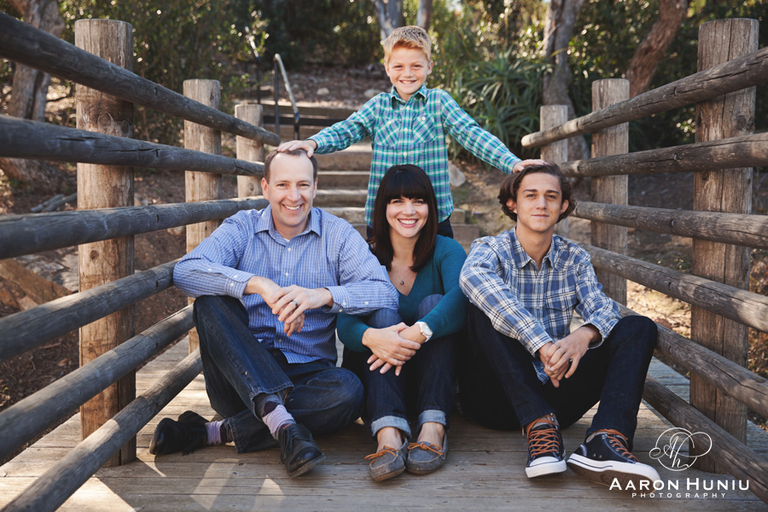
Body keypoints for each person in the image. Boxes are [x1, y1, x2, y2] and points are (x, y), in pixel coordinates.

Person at [149, 148, 398, 478]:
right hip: (240, 378)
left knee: (348, 391)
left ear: (316, 186)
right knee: (211, 302)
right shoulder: (242, 228)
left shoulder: (337, 234)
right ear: (265, 188)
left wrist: (322, 296)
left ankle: (216, 432)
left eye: (303, 185)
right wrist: (257, 284)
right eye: (283, 185)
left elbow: (384, 292)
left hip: (309, 376)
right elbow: (186, 272)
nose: (294, 196)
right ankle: (278, 424)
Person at [458, 162, 660, 487]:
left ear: (563, 206)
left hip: (556, 394)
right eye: (531, 195)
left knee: (639, 328)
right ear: (513, 203)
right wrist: (541, 343)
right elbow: (473, 279)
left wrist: (585, 334)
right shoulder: (489, 249)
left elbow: (604, 309)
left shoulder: (574, 258)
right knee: (480, 308)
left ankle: (604, 439)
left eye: (551, 197)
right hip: (495, 399)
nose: (542, 204)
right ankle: (537, 426)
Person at [277, 25, 544, 239]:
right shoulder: (378, 106)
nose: (408, 73)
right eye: (399, 66)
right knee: (383, 285)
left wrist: (511, 162)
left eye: (416, 66)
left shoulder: (439, 102)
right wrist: (314, 142)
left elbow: (471, 133)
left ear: (428, 67)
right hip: (385, 217)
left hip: (433, 217)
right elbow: (347, 129)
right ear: (387, 69)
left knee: (440, 284)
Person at [337, 165, 467, 481]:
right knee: (380, 315)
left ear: (430, 208)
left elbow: (463, 302)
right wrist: (374, 337)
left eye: (418, 201)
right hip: (376, 384)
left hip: (433, 382)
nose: (408, 211)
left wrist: (417, 332)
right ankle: (388, 433)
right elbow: (345, 323)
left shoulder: (446, 250)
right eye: (397, 201)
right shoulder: (365, 256)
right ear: (382, 208)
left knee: (434, 305)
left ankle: (433, 429)